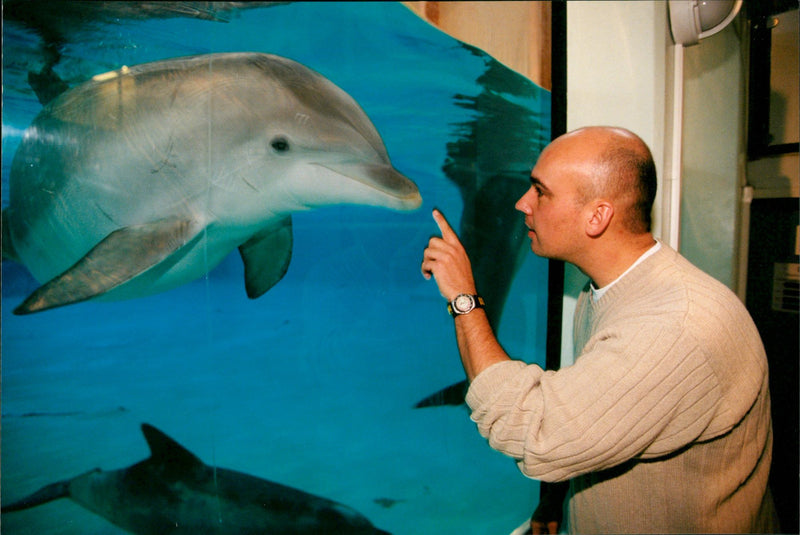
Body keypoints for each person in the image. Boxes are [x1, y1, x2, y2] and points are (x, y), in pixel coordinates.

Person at [420, 126, 778, 534]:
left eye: (541, 191)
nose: (522, 203)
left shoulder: (675, 326)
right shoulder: (606, 293)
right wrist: (557, 499)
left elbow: (536, 432)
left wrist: (465, 298)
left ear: (597, 216)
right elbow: (601, 412)